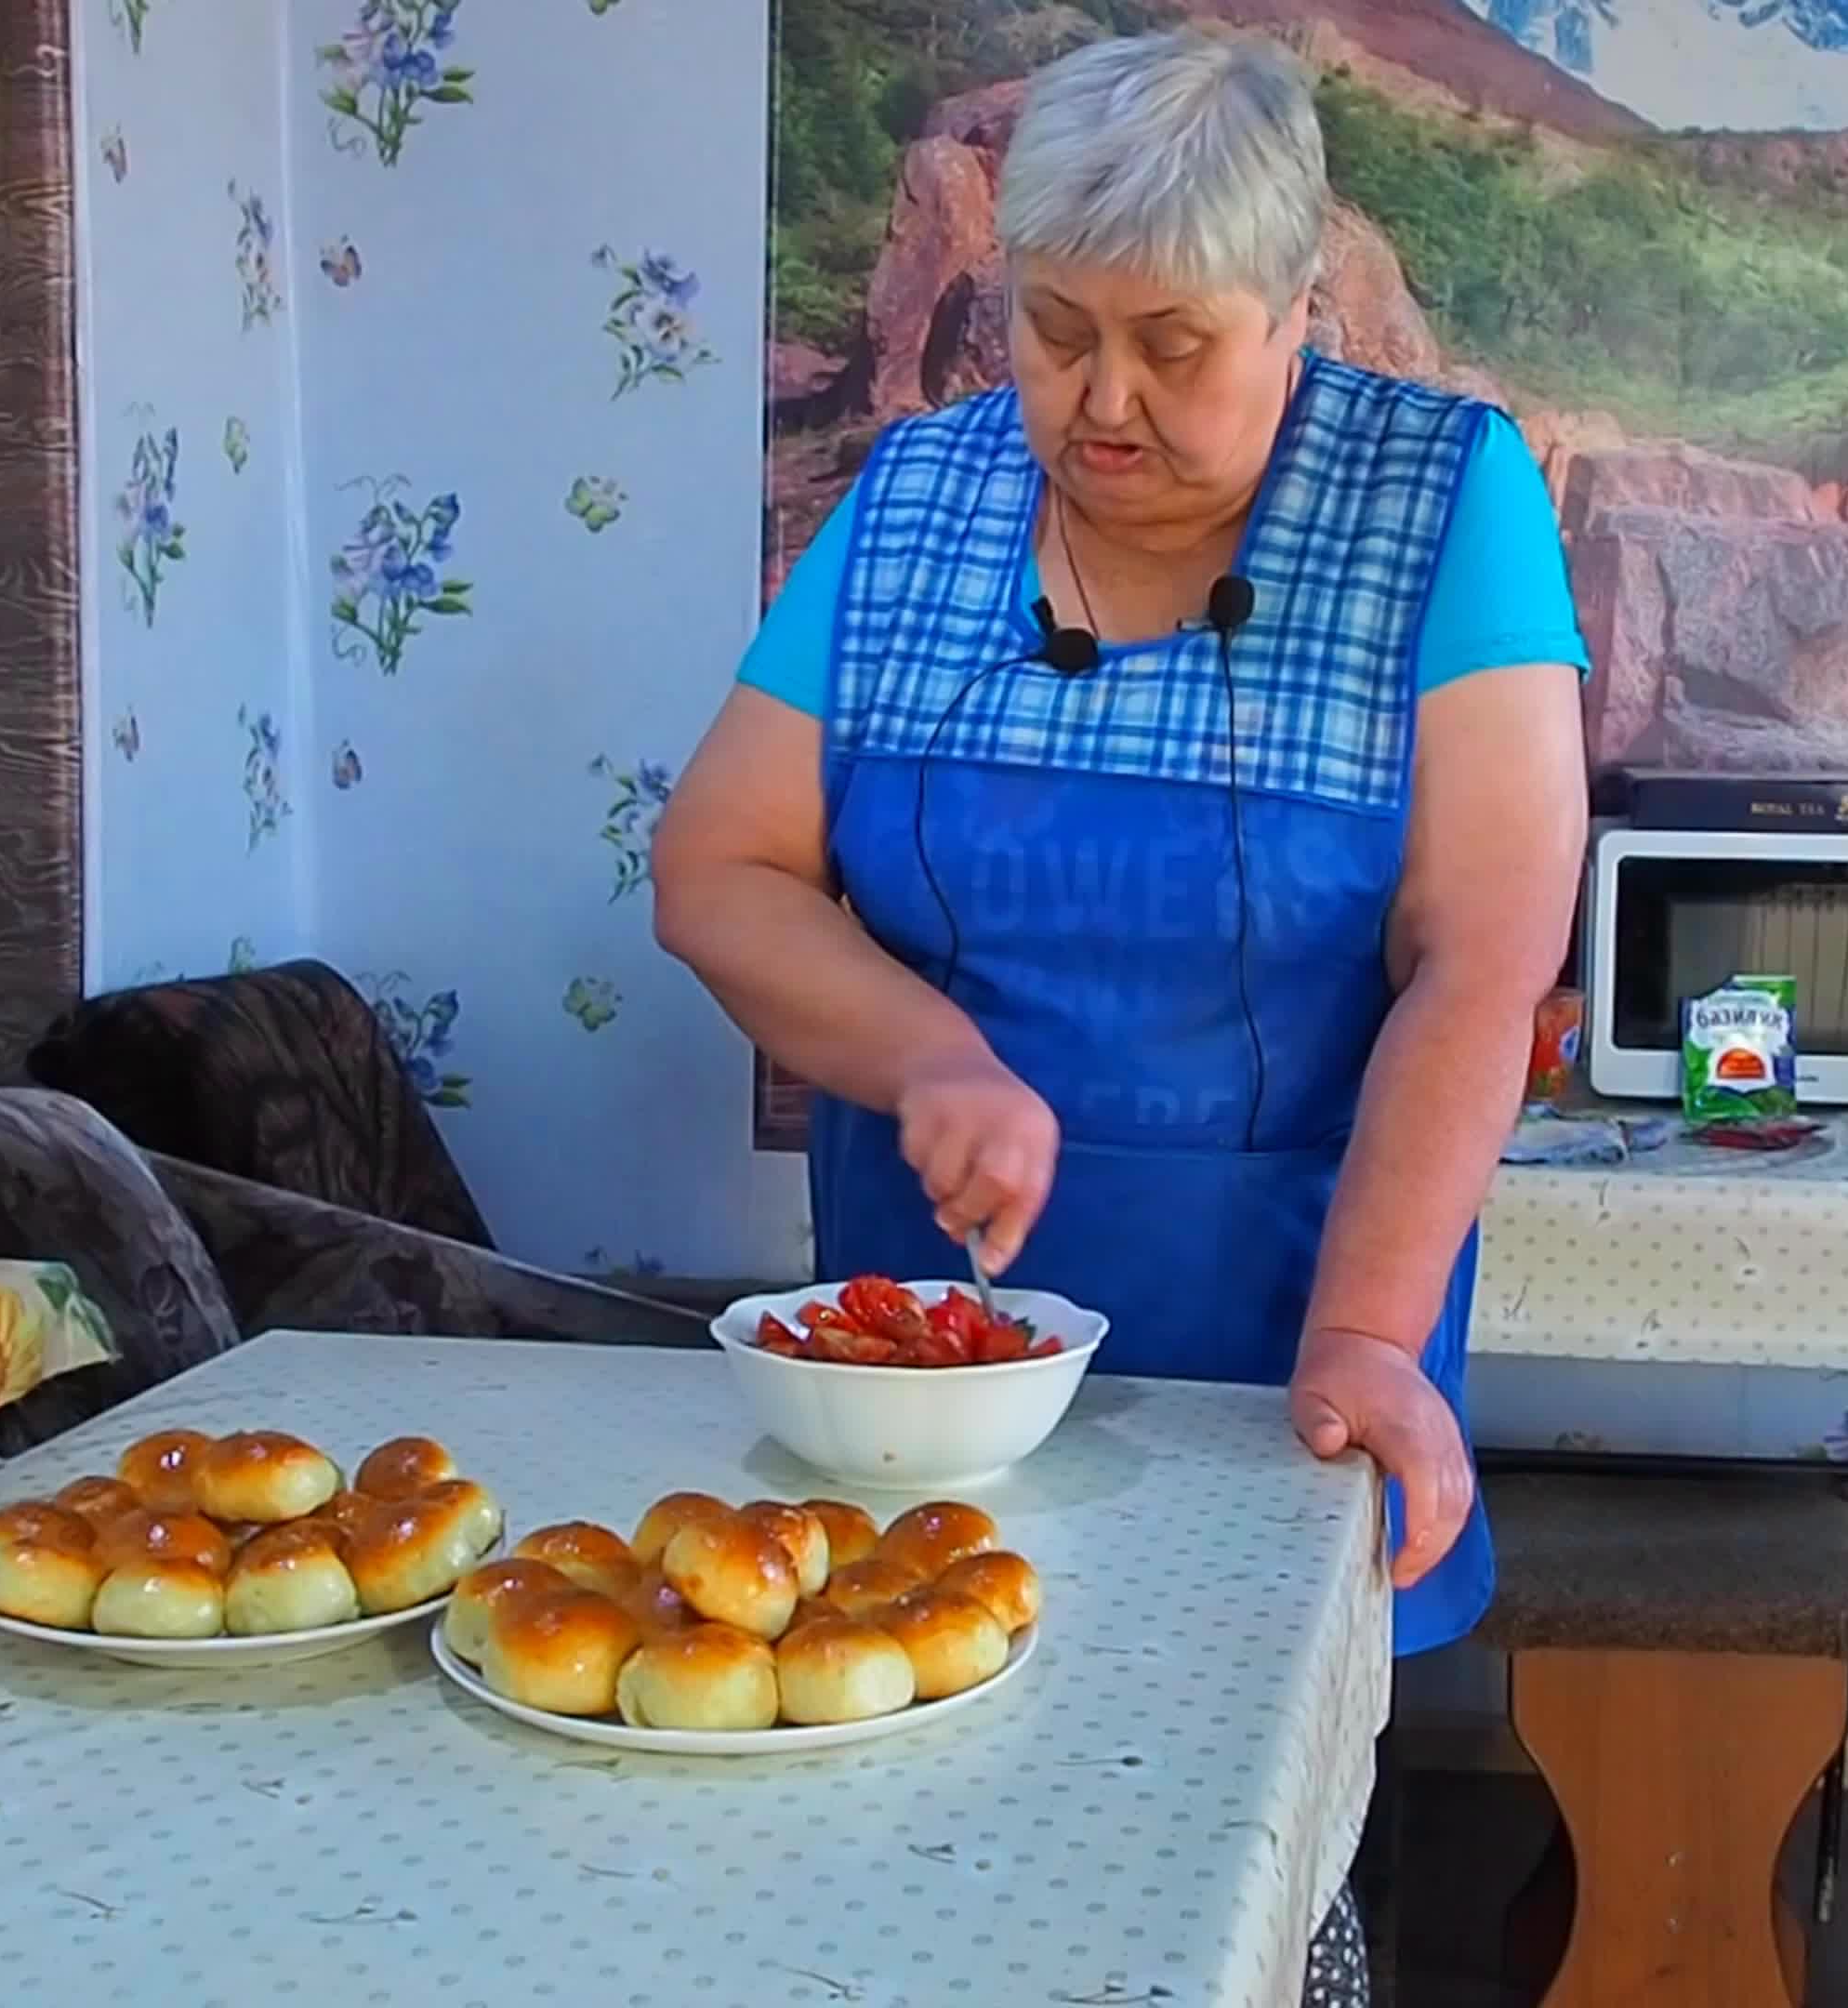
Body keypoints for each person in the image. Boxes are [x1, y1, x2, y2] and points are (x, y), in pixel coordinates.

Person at [654, 28, 1585, 2003]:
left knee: (1242, 1914)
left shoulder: (1449, 501)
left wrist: (1367, 1336)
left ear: (1300, 312)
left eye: (1175, 344)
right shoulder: (910, 500)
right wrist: (933, 1059)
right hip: (924, 1382)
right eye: (1056, 331)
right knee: (904, 1884)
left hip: (1287, 1374)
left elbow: (1477, 959)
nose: (1100, 401)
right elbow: (719, 871)